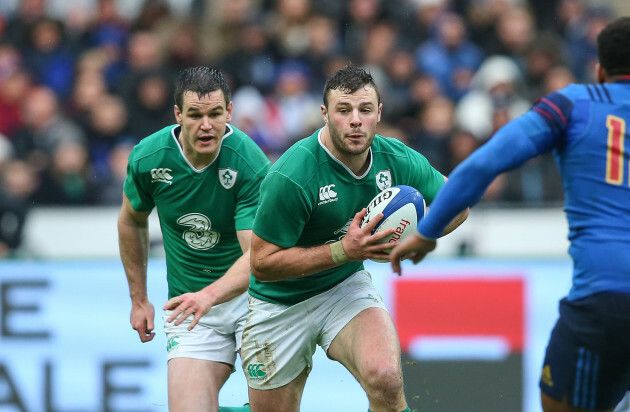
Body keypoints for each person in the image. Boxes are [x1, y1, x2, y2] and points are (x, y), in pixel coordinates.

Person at [390, 17, 630, 412]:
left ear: (600, 70)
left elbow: (485, 163)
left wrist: (428, 230)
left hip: (603, 301)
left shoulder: (573, 104)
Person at [241, 64, 468, 412]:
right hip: (278, 302)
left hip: (342, 289)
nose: (355, 120)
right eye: (343, 110)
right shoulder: (292, 174)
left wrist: (418, 239)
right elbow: (262, 265)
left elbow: (458, 205)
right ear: (324, 114)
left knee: (385, 376)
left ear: (379, 112)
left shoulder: (396, 158)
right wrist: (342, 251)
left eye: (364, 110)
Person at [117, 66, 270, 412]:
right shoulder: (149, 157)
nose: (206, 125)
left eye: (216, 114)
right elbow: (131, 222)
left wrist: (210, 295)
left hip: (255, 303)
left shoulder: (249, 162)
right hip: (191, 308)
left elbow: (257, 256)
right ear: (178, 115)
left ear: (229, 112)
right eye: (195, 115)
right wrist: (139, 298)